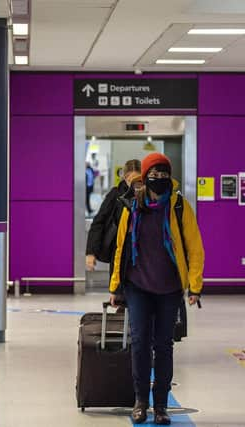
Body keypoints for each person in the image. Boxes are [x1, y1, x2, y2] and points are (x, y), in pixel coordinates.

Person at [109, 153, 204, 425]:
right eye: (155, 174)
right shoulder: (131, 207)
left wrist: (195, 285)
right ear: (145, 175)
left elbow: (195, 248)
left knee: (163, 346)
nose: (159, 179)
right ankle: (140, 401)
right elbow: (121, 249)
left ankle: (160, 405)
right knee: (139, 344)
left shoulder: (178, 207)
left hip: (169, 288)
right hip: (138, 286)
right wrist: (115, 285)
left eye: (164, 174)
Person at [86, 159, 142, 272]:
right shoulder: (116, 194)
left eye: (138, 180)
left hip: (143, 253)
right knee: (118, 286)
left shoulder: (148, 196)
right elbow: (99, 222)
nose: (135, 185)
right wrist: (91, 252)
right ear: (125, 178)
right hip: (119, 252)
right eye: (131, 180)